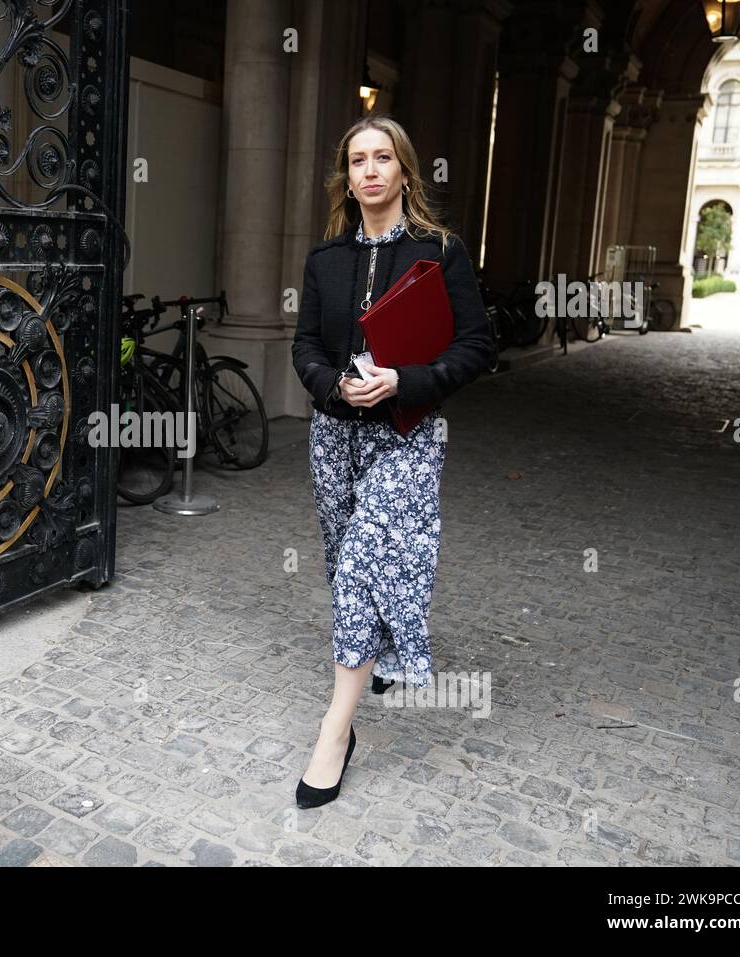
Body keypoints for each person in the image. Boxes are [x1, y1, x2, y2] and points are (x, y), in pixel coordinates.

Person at [290, 115, 493, 809]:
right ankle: (376, 656)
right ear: (346, 176)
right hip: (334, 436)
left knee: (360, 567)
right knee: (342, 557)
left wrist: (404, 381)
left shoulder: (440, 253)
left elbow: (476, 347)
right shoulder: (325, 261)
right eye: (357, 160)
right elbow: (305, 347)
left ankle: (334, 733)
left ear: (405, 170)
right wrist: (331, 384)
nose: (369, 170)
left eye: (383, 158)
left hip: (405, 435)